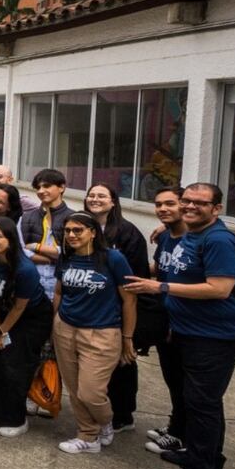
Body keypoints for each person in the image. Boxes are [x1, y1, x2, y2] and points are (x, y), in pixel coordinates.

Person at [124, 183, 235, 469]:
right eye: (187, 201)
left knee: (202, 403)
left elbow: (219, 288)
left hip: (214, 337)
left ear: (216, 208)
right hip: (183, 330)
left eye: (199, 203)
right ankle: (207, 457)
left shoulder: (219, 240)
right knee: (197, 400)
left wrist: (160, 288)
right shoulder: (185, 235)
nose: (190, 206)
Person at [51, 212, 137, 455]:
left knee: (91, 392)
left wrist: (127, 337)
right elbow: (59, 292)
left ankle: (105, 421)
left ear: (93, 232)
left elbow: (129, 300)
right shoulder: (65, 257)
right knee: (74, 388)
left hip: (102, 333)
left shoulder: (113, 258)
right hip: (65, 328)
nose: (71, 235)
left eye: (78, 230)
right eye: (67, 231)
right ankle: (88, 436)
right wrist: (54, 323)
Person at [83, 183, 151, 434]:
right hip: (89, 308)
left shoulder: (127, 232)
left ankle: (122, 415)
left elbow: (137, 276)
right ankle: (99, 410)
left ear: (113, 202)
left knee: (122, 362)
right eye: (91, 195)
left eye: (102, 195)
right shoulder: (80, 225)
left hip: (118, 308)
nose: (95, 199)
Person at [0, 217, 52, 438]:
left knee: (15, 366)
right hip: (1, 315)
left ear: (10, 239)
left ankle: (17, 420)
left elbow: (20, 306)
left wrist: (2, 332)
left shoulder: (25, 269)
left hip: (30, 319)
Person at [129, 187, 187, 456]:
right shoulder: (166, 237)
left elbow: (217, 287)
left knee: (191, 386)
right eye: (159, 204)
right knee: (174, 379)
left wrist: (159, 287)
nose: (163, 209)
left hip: (190, 324)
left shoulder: (197, 241)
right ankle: (177, 427)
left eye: (170, 204)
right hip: (167, 320)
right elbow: (159, 269)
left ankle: (183, 438)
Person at [19, 168, 71, 300]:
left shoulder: (73, 218)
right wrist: (51, 258)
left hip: (62, 287)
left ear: (62, 187)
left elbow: (72, 252)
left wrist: (36, 247)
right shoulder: (25, 218)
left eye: (47, 186)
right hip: (31, 285)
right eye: (38, 187)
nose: (41, 191)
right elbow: (19, 251)